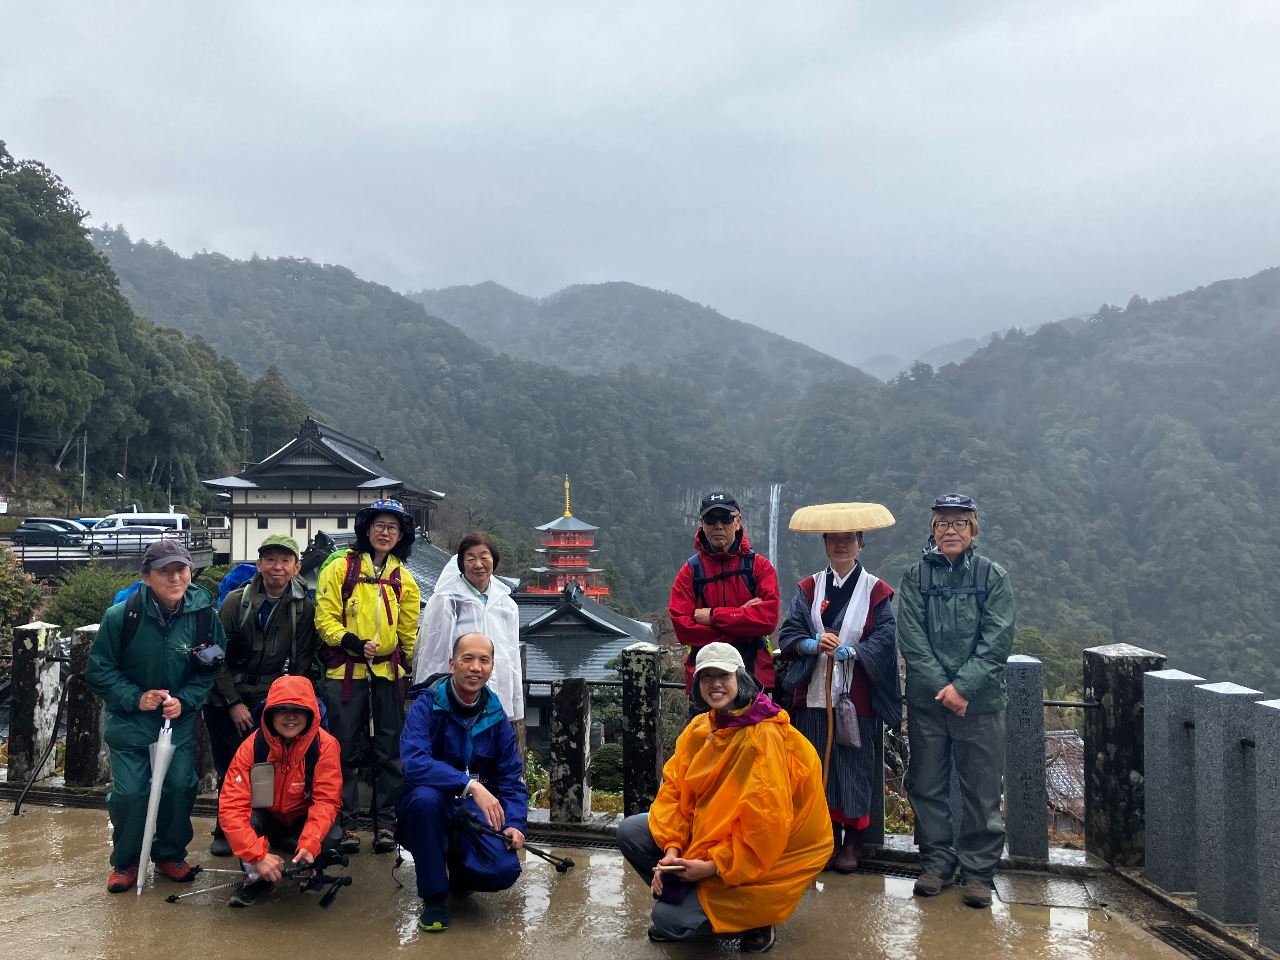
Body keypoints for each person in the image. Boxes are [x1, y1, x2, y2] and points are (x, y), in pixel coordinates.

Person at [616, 643, 831, 954]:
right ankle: (696, 895)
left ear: (740, 678)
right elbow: (674, 792)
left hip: (764, 858)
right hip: (712, 840)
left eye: (723, 676)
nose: (715, 684)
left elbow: (765, 829)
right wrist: (673, 851)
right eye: (707, 677)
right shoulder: (703, 726)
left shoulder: (763, 737)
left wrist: (712, 866)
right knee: (631, 831)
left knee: (668, 920)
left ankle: (758, 918)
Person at [85, 540, 226, 892]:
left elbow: (211, 666)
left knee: (180, 787)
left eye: (181, 569)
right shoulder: (121, 616)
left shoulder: (204, 614)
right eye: (165, 571)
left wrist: (186, 700)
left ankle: (168, 854)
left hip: (175, 722)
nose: (175, 578)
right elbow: (99, 671)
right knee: (131, 793)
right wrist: (137, 698)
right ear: (147, 577)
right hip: (129, 721)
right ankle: (127, 861)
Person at [897, 493, 1016, 909]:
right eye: (942, 523)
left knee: (981, 790)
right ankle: (936, 863)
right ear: (933, 530)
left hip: (980, 703)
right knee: (927, 784)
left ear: (972, 529)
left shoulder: (992, 576)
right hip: (929, 703)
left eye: (959, 522)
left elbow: (997, 639)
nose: (951, 530)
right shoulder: (915, 577)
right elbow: (911, 638)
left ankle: (978, 872)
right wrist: (945, 690)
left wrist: (962, 689)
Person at [777, 526, 902, 873]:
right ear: (825, 544)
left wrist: (855, 652)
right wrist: (811, 644)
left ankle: (854, 842)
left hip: (855, 696)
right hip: (813, 693)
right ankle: (827, 836)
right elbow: (790, 632)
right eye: (833, 538)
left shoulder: (876, 590)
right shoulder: (809, 587)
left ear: (860, 544)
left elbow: (885, 638)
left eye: (849, 538)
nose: (841, 544)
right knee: (817, 765)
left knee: (855, 767)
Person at [397, 632, 528, 933]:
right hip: (432, 803)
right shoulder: (426, 705)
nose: (475, 667)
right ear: (452, 664)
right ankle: (434, 897)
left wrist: (515, 823)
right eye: (467, 659)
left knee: (503, 871)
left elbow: (510, 778)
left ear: (492, 667)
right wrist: (470, 785)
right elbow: (415, 762)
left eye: (484, 660)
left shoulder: (495, 714)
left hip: (474, 811)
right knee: (425, 801)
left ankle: (458, 871)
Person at [315, 497, 422, 855]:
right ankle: (345, 824)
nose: (385, 532)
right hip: (345, 672)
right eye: (380, 525)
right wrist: (352, 642)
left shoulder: (405, 580)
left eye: (393, 527)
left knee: (390, 751)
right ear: (366, 529)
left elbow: (408, 633)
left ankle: (386, 824)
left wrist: (414, 671)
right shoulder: (339, 568)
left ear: (401, 535)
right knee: (342, 749)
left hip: (388, 674)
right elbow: (324, 619)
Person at [205, 533, 317, 857]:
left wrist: (282, 707)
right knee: (231, 766)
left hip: (271, 698)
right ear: (259, 564)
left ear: (296, 567)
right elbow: (214, 656)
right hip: (225, 696)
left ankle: (266, 828)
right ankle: (226, 828)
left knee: (270, 765)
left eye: (285, 561)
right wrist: (233, 703)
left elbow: (302, 663)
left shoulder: (303, 608)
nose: (277, 567)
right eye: (270, 560)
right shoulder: (233, 603)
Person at [217, 675, 343, 907]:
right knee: (247, 820)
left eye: (298, 710)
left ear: (311, 714)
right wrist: (257, 856)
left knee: (331, 833)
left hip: (302, 818)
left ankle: (310, 866)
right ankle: (255, 878)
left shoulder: (326, 745)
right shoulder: (250, 747)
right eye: (282, 710)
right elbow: (231, 807)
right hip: (268, 817)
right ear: (269, 714)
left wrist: (310, 845)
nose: (290, 717)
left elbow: (326, 801)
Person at [669, 492, 780, 704]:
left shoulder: (760, 567)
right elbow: (683, 629)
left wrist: (713, 617)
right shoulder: (690, 572)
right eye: (711, 519)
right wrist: (743, 621)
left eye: (726, 519)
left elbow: (767, 621)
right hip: (705, 681)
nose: (718, 526)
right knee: (705, 727)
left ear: (738, 521)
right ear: (702, 524)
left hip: (751, 678)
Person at [413, 531, 523, 721]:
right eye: (470, 559)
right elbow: (432, 656)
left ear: (494, 560)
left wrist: (515, 703)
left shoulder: (506, 604)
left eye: (484, 557)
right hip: (456, 696)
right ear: (461, 564)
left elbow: (512, 656)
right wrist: (430, 702)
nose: (478, 564)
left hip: (497, 694)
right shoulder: (446, 601)